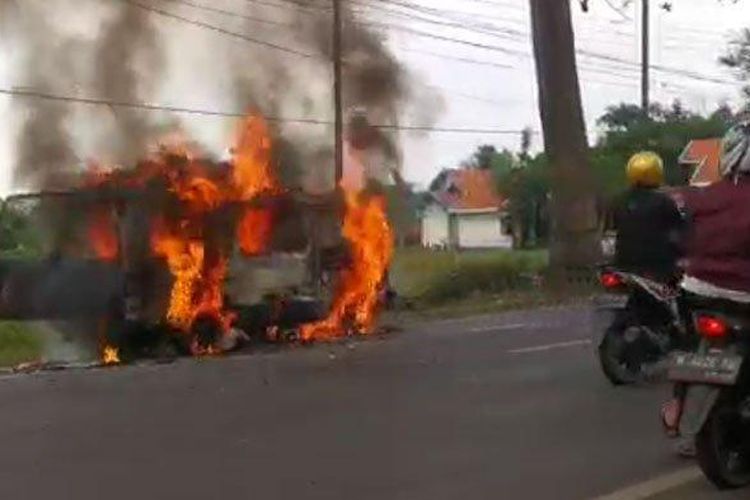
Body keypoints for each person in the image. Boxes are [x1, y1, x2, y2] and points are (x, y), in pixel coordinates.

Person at [661, 122, 750, 456]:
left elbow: (678, 238)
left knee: (691, 348)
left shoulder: (702, 196)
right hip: (742, 294)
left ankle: (676, 405)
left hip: (696, 290)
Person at [613, 151, 684, 283]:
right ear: (657, 172)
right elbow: (680, 231)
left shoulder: (619, 200)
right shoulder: (664, 201)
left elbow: (613, 227)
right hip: (658, 267)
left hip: (623, 264)